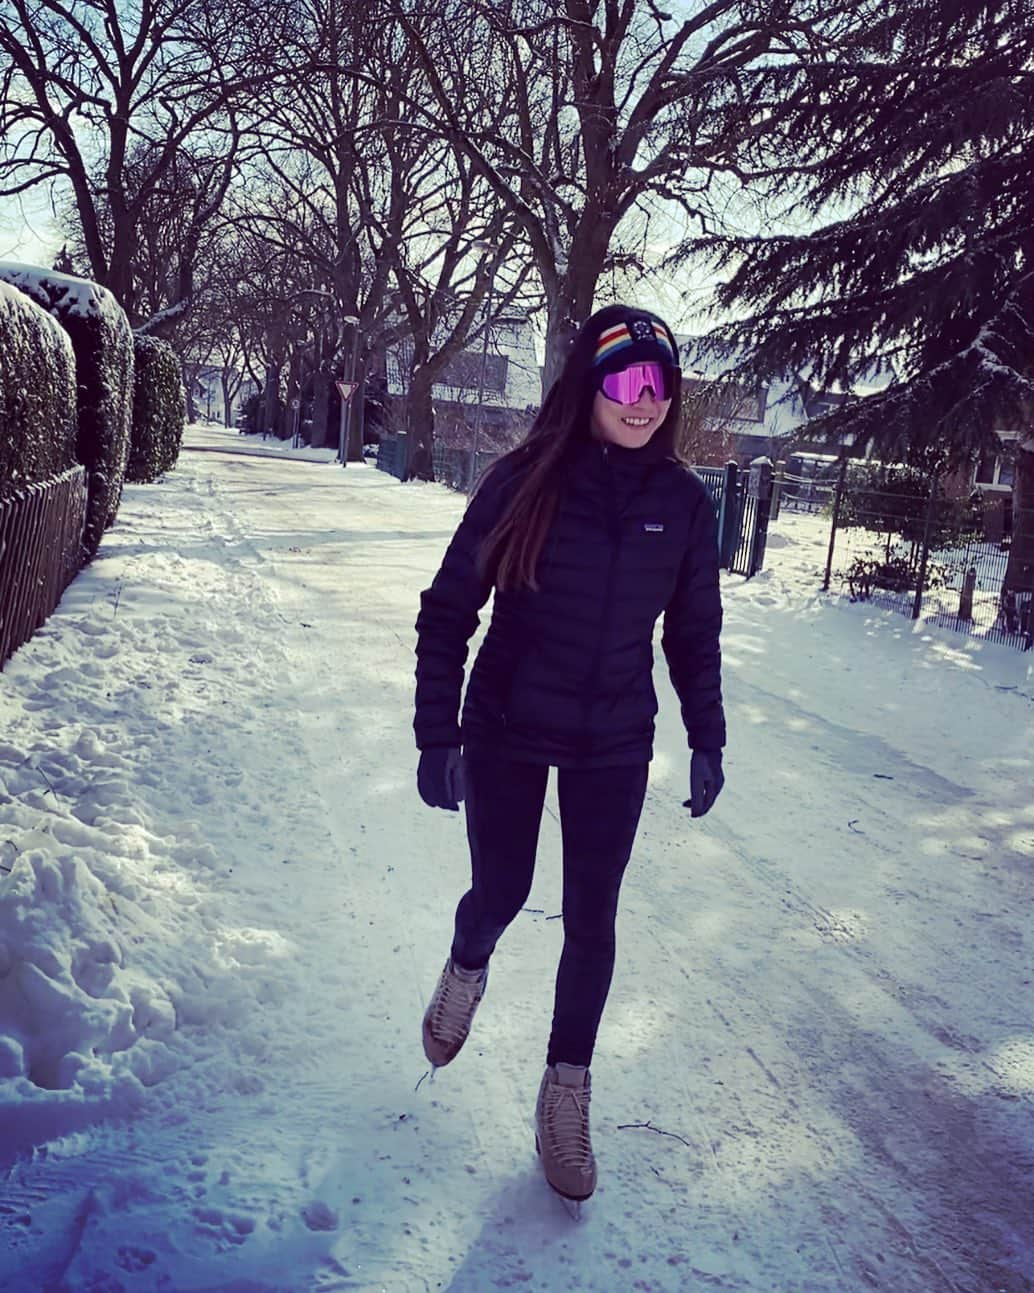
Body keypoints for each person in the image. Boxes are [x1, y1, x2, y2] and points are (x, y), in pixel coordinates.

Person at [413, 304, 725, 1203]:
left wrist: (708, 734)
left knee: (593, 919)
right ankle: (467, 961)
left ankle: (565, 1093)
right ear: (591, 386)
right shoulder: (523, 482)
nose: (645, 402)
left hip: (615, 740)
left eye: (662, 386)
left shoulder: (684, 504)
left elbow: (693, 635)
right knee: (502, 891)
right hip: (509, 724)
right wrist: (439, 734)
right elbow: (447, 611)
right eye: (628, 382)